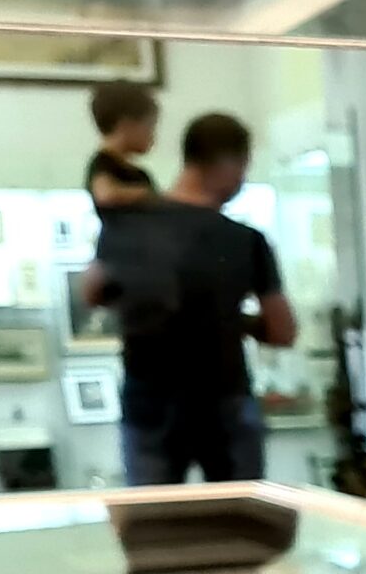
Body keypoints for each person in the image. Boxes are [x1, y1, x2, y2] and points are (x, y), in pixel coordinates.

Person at [87, 111, 297, 485]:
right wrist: (235, 321)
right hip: (223, 398)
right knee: (238, 515)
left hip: (148, 399)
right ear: (228, 163)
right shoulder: (245, 240)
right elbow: (283, 330)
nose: (241, 179)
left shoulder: (124, 226)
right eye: (242, 168)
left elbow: (92, 291)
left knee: (152, 516)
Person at [85, 81, 159, 214]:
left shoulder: (137, 173)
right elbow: (105, 194)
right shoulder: (103, 163)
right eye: (149, 127)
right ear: (126, 125)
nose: (153, 136)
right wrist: (147, 194)